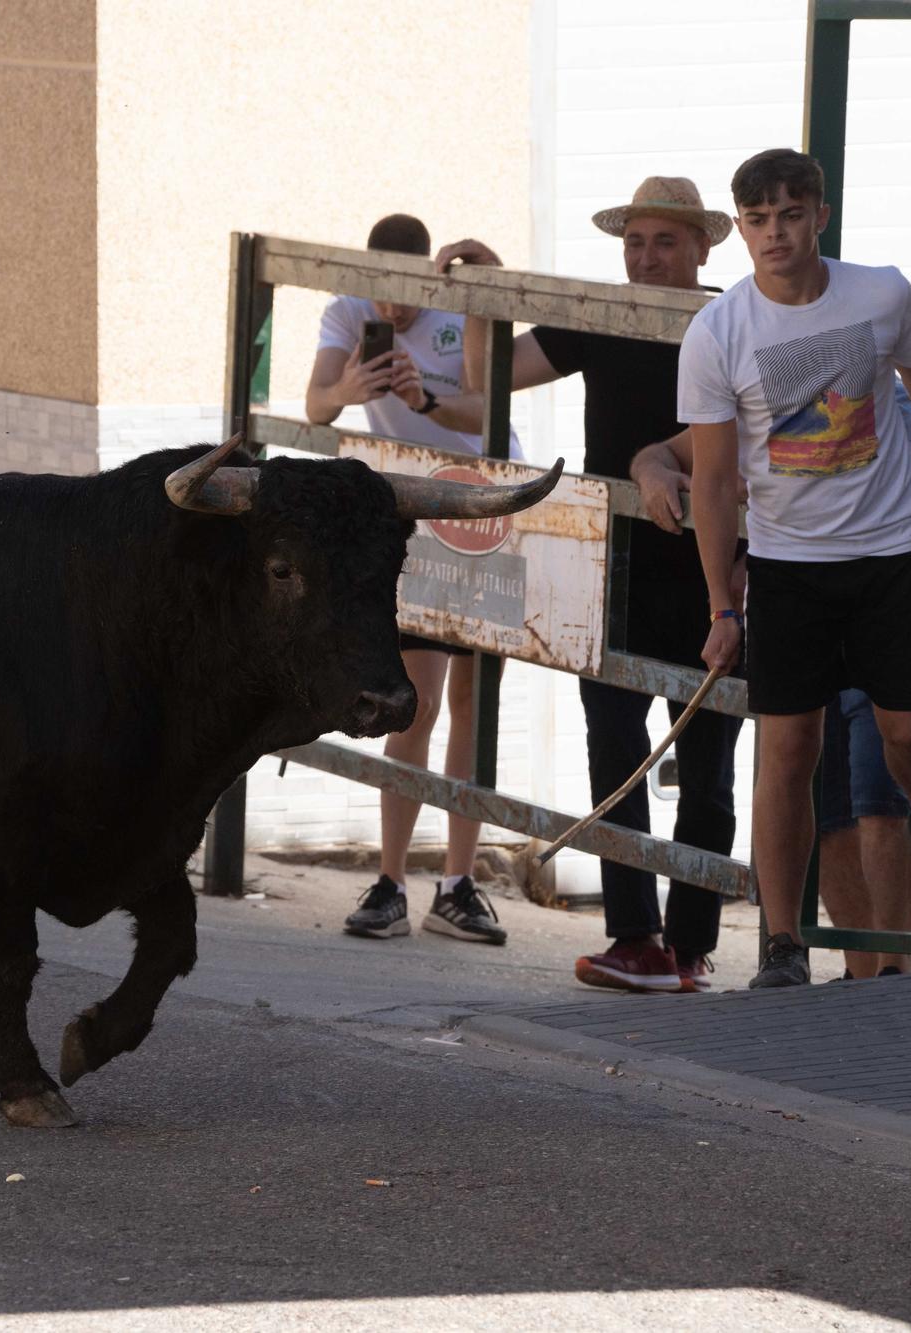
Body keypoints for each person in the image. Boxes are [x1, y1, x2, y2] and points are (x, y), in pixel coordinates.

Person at [678, 148, 911, 989]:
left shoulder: (879, 295)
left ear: (820, 217)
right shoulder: (719, 333)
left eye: (791, 215)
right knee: (788, 747)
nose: (776, 234)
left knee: (907, 732)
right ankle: (780, 940)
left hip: (893, 548)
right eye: (758, 220)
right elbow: (718, 481)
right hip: (791, 563)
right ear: (739, 229)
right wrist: (721, 607)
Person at [435, 176, 747, 994]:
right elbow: (485, 384)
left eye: (666, 242)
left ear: (702, 249)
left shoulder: (733, 322)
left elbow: (758, 428)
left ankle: (690, 947)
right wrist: (486, 295)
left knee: (710, 760)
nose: (647, 258)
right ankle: (636, 938)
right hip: (609, 565)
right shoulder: (601, 317)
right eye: (635, 242)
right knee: (614, 741)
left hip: (717, 562)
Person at [307, 212, 513, 945]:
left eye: (405, 296)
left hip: (482, 499)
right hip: (405, 510)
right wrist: (351, 384)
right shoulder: (349, 310)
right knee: (415, 699)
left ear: (427, 272)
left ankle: (457, 884)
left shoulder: (459, 311)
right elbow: (314, 404)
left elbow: (489, 412)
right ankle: (392, 878)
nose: (392, 312)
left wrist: (423, 395)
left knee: (473, 702)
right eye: (381, 296)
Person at [820, 382, 911, 980]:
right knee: (830, 809)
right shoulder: (769, 384)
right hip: (807, 607)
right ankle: (863, 970)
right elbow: (692, 450)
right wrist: (657, 465)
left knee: (878, 795)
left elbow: (853, 462)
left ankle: (892, 969)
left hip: (887, 600)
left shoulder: (892, 397)